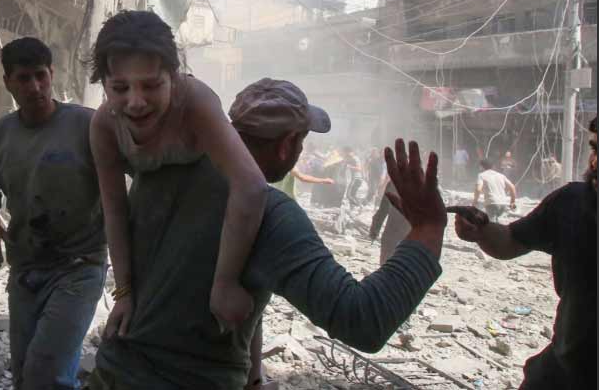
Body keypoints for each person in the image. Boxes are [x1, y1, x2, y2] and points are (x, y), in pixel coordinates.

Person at [86, 78, 447, 390]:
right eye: (301, 142)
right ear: (287, 144)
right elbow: (362, 320)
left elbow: (238, 281)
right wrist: (428, 229)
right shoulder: (271, 215)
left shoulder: (159, 172)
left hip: (111, 373)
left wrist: (253, 378)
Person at [88, 10, 268, 335]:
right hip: (155, 213)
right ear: (104, 85)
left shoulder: (196, 102)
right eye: (120, 87)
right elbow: (114, 210)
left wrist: (225, 282)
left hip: (212, 209)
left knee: (235, 314)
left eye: (151, 85)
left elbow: (251, 186)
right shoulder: (104, 125)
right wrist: (124, 293)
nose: (135, 101)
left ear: (173, 75)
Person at [0, 38, 106, 390]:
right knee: (24, 375)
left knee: (46, 373)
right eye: (24, 78)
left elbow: (133, 178)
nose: (35, 87)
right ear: (8, 83)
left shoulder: (87, 125)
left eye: (41, 76)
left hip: (79, 267)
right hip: (26, 269)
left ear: (52, 74)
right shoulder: (1, 134)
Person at [453, 117, 596, 390]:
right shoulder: (571, 202)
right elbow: (510, 241)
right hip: (561, 373)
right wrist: (481, 230)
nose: (595, 163)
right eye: (595, 149)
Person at [369, 179, 411, 265]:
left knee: (386, 264)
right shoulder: (423, 184)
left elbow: (383, 210)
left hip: (391, 235)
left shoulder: (393, 183)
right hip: (409, 236)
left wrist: (374, 230)